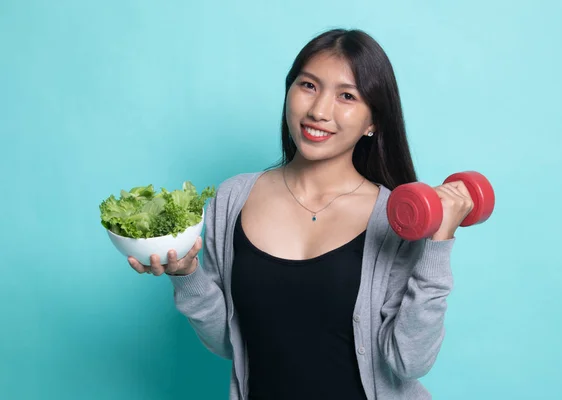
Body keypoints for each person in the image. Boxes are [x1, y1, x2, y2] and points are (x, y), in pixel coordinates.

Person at [128, 28, 474, 400]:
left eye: (346, 96)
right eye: (308, 86)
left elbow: (410, 361)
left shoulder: (394, 220)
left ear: (373, 121)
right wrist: (187, 276)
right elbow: (229, 343)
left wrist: (438, 246)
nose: (319, 111)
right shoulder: (232, 198)